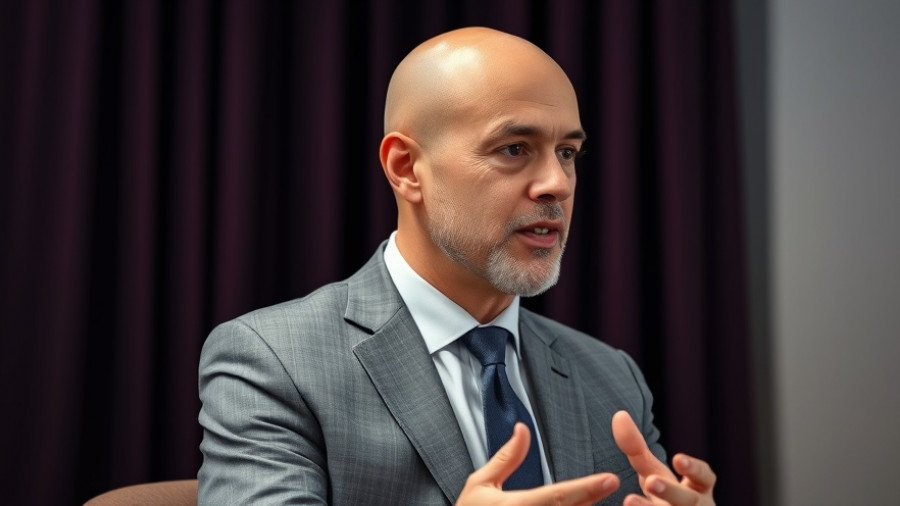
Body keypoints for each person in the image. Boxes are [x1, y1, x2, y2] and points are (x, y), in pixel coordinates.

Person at [198, 26, 716, 506]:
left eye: (567, 152)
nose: (557, 183)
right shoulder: (271, 362)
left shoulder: (612, 376)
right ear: (406, 169)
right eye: (514, 148)